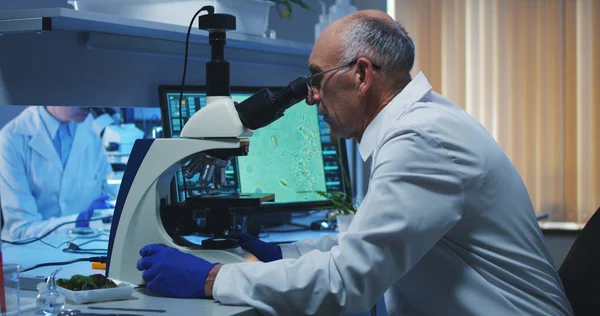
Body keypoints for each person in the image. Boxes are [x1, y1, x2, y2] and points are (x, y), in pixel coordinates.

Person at [136, 10, 573, 315]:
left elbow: (347, 282)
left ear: (362, 75)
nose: (310, 97)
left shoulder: (419, 141)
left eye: (316, 79)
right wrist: (282, 253)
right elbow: (371, 244)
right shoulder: (419, 125)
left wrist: (213, 279)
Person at [0, 106, 115, 240]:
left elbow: (114, 193)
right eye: (81, 92)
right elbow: (20, 228)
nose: (88, 104)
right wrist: (79, 221)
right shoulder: (11, 139)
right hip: (29, 251)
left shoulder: (101, 131)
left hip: (86, 245)